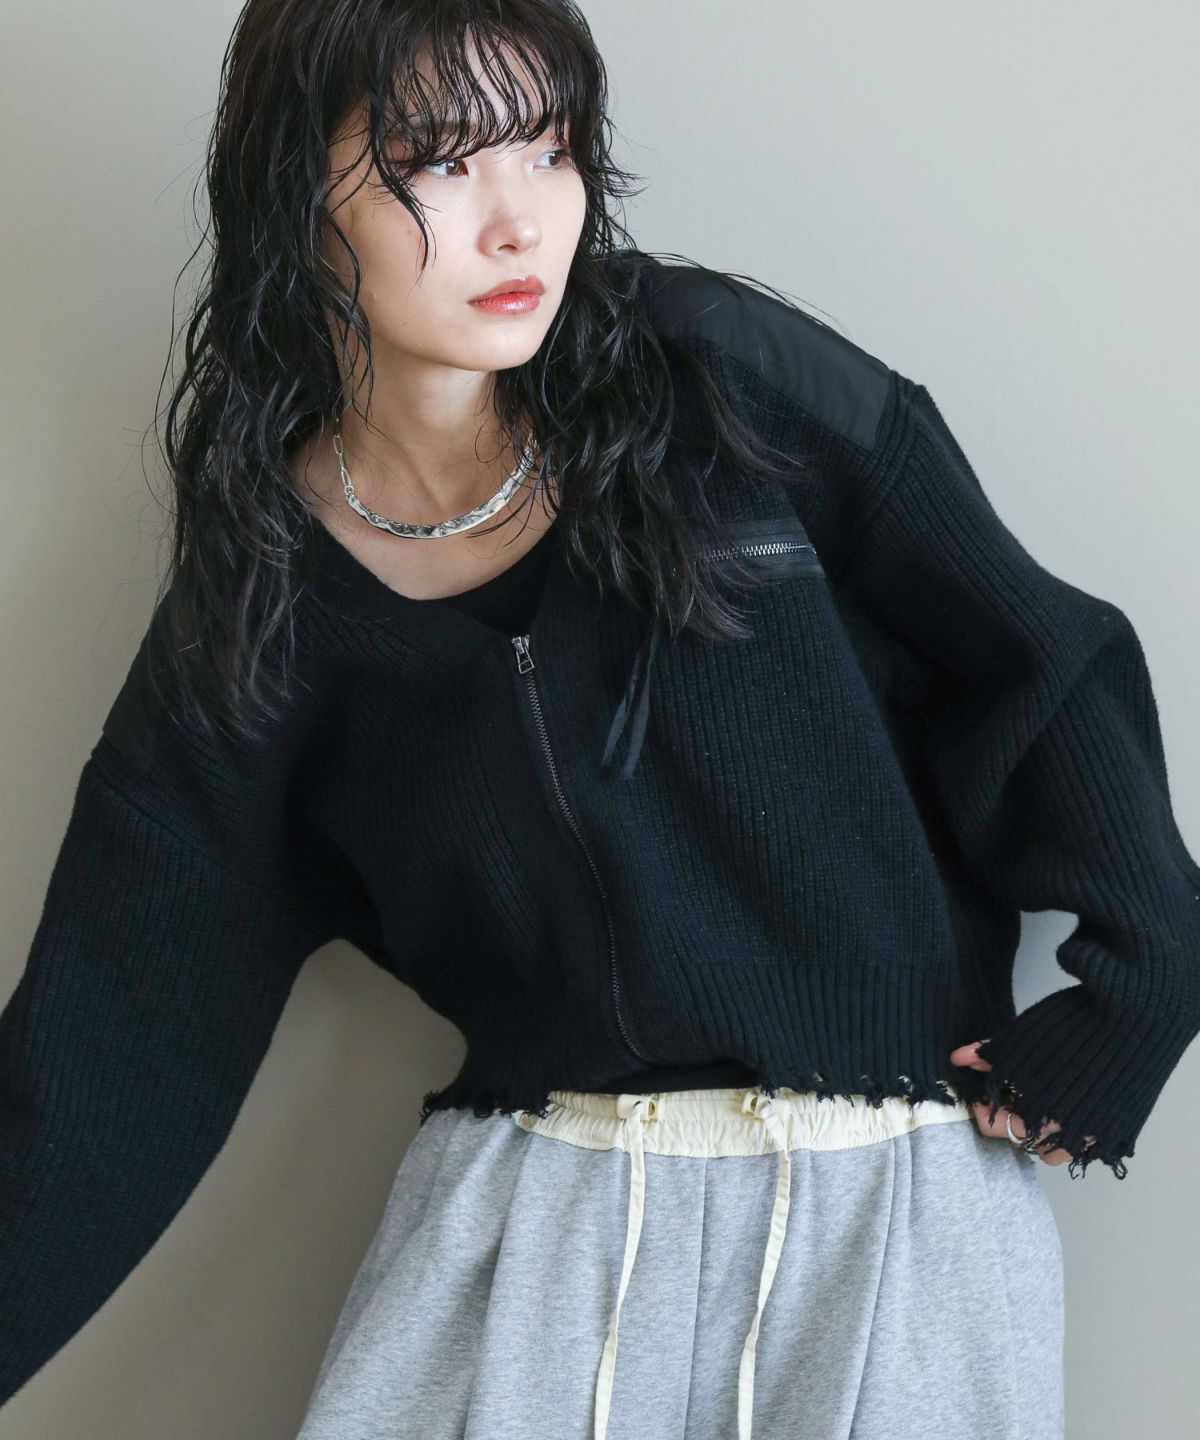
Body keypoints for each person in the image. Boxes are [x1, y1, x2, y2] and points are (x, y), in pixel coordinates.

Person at [3, 2, 1198, 1436]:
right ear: (289, 193)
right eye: (441, 164)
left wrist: (1150, 980)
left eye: (552, 148)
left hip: (885, 1216)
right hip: (531, 1237)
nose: (522, 221)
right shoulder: (262, 598)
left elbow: (1040, 651)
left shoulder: (721, 373)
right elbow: (103, 1065)